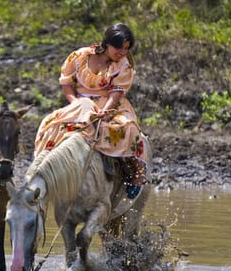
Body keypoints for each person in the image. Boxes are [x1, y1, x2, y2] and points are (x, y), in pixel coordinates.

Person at [34, 23, 148, 200]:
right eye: (119, 47)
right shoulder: (79, 56)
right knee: (51, 125)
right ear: (107, 43)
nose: (122, 52)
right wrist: (75, 103)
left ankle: (135, 173)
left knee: (127, 128)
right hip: (80, 103)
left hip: (110, 104)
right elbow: (67, 83)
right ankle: (46, 172)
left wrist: (104, 111)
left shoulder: (123, 64)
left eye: (126, 48)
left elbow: (116, 93)